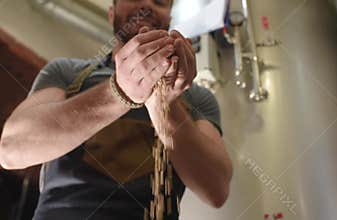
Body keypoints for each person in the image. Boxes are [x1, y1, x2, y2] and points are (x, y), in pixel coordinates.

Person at [0, 0, 233, 219]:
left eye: (160, 2)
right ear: (112, 13)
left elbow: (216, 190)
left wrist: (166, 107)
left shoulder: (196, 97)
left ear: (169, 18)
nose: (147, 5)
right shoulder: (66, 73)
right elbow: (11, 150)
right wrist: (119, 93)